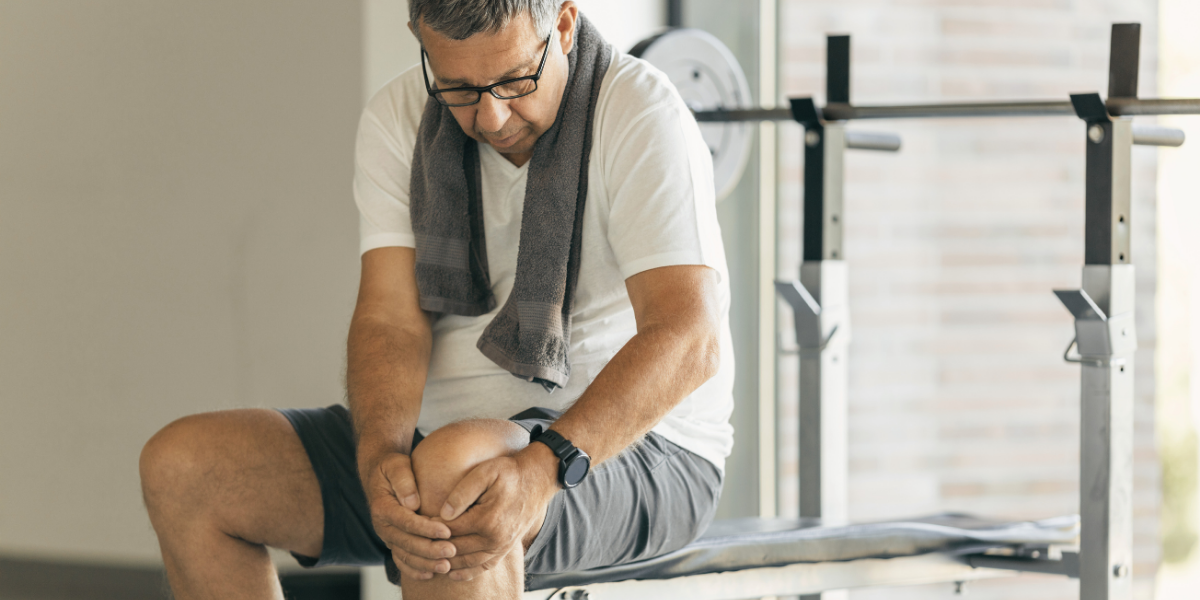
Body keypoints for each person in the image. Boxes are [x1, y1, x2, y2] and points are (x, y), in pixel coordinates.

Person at [138, 1, 734, 598]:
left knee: (459, 476)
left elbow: (688, 336)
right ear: (419, 40)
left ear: (563, 24)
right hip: (439, 442)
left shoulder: (638, 111)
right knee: (187, 467)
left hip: (629, 452)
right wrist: (380, 458)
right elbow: (392, 319)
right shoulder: (397, 117)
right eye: (458, 87)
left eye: (514, 80)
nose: (493, 118)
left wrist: (542, 468)